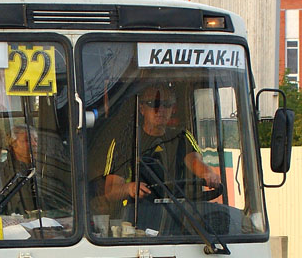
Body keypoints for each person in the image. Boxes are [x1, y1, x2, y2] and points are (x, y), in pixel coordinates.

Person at [89, 84, 220, 229]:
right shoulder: (124, 142)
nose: (160, 110)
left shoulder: (181, 137)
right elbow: (111, 191)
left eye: (166, 104)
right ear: (142, 109)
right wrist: (129, 188)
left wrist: (208, 173)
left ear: (173, 109)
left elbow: (195, 161)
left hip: (177, 220)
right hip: (134, 223)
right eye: (153, 104)